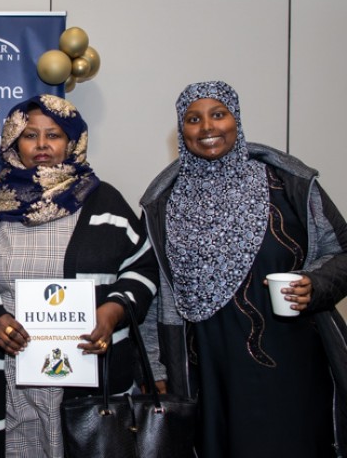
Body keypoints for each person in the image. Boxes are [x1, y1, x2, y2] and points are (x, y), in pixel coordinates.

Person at [140, 80, 347, 457]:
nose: (207, 128)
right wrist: (157, 366)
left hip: (291, 362)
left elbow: (342, 252)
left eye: (218, 115)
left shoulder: (289, 184)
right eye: (193, 119)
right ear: (181, 130)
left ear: (236, 120)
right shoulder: (163, 202)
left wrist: (315, 284)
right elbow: (157, 294)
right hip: (208, 370)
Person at [0, 94, 158, 458]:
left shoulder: (105, 201)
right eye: (29, 135)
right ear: (14, 141)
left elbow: (143, 268)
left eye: (54, 135)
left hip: (90, 374)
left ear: (72, 141)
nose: (42, 145)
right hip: (12, 375)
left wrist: (113, 311)